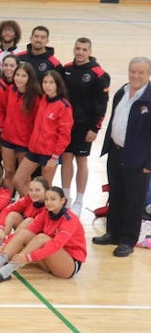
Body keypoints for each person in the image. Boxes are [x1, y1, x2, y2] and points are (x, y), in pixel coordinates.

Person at [95, 57, 151, 258]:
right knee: (116, 195)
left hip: (139, 160)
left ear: (148, 74)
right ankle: (113, 233)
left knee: (133, 201)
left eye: (140, 73)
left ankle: (128, 239)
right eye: (132, 71)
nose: (135, 76)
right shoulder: (122, 92)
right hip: (116, 151)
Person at [0, 187, 86, 283]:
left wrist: (28, 257)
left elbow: (55, 245)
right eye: (46, 199)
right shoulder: (45, 213)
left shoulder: (69, 219)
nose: (49, 202)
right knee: (25, 232)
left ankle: (8, 269)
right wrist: (4, 245)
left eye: (53, 199)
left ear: (62, 201)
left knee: (42, 238)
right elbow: (25, 233)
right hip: (48, 260)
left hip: (68, 266)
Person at [59, 38, 110, 215]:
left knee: (81, 161)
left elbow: (102, 104)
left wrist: (95, 128)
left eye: (84, 49)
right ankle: (65, 197)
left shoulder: (98, 74)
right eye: (78, 48)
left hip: (85, 127)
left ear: (89, 51)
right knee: (66, 159)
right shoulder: (65, 69)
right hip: (66, 126)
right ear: (74, 49)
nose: (80, 52)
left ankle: (79, 200)